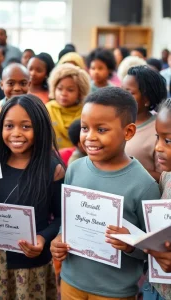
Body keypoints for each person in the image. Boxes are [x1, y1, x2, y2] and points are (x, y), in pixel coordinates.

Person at [50, 87, 161, 299]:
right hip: (71, 281)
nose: (90, 137)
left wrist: (131, 245)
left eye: (101, 130)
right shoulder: (74, 169)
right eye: (85, 128)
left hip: (114, 291)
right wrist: (59, 238)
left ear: (128, 132)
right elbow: (68, 219)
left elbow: (153, 250)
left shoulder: (143, 185)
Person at [0, 94, 65, 299]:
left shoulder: (52, 169)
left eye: (26, 126)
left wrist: (43, 237)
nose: (16, 133)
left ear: (40, 128)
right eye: (9, 126)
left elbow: (61, 217)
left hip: (32, 265)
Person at [144, 98, 171, 299]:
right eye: (157, 138)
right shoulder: (166, 176)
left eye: (168, 140)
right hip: (156, 287)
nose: (158, 148)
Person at [123, 66, 166, 182]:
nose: (122, 97)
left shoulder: (159, 129)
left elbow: (164, 178)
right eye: (121, 90)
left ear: (146, 99)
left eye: (129, 93)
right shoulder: (114, 122)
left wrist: (128, 168)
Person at [46, 63, 90, 149]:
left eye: (70, 90)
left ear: (80, 92)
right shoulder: (47, 109)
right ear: (54, 88)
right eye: (60, 88)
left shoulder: (85, 112)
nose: (64, 94)